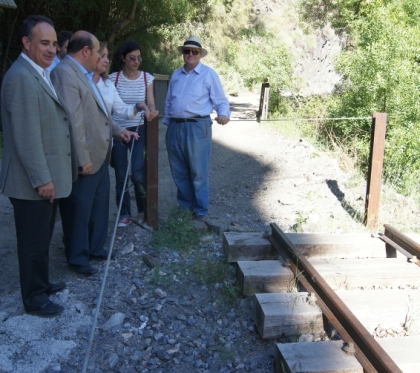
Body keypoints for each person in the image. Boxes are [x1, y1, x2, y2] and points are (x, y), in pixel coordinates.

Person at [0, 15, 75, 317]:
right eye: (44, 43)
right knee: (32, 242)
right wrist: (43, 179)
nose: (52, 49)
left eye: (55, 44)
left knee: (42, 237)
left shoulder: (39, 73)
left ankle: (41, 284)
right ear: (26, 43)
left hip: (43, 178)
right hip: (30, 180)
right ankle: (34, 298)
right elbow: (27, 135)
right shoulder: (20, 77)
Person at [51, 31, 136, 276]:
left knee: (98, 206)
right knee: (79, 208)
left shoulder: (86, 75)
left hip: (100, 154)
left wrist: (119, 132)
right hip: (86, 157)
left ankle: (95, 247)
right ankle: (77, 256)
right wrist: (82, 158)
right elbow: (73, 121)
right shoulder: (65, 74)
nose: (101, 56)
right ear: (85, 51)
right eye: (98, 51)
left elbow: (101, 114)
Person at [164, 35, 230, 221]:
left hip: (197, 126)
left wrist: (224, 114)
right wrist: (168, 123)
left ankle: (200, 211)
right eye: (187, 51)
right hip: (175, 127)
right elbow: (169, 100)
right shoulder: (175, 74)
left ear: (200, 54)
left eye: (194, 51)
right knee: (178, 170)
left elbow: (220, 100)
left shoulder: (209, 74)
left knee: (198, 171)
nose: (190, 54)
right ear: (183, 54)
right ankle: (185, 208)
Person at [109, 41, 159, 227]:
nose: (136, 61)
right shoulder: (113, 78)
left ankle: (142, 210)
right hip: (118, 132)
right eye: (132, 58)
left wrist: (151, 111)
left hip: (140, 130)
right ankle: (124, 214)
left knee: (138, 172)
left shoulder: (147, 78)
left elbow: (151, 102)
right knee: (121, 175)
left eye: (139, 57)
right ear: (123, 58)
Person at [92, 41, 149, 126]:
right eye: (102, 56)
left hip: (105, 136)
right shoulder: (79, 79)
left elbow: (122, 110)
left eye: (107, 56)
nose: (107, 61)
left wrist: (138, 106)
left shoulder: (108, 84)